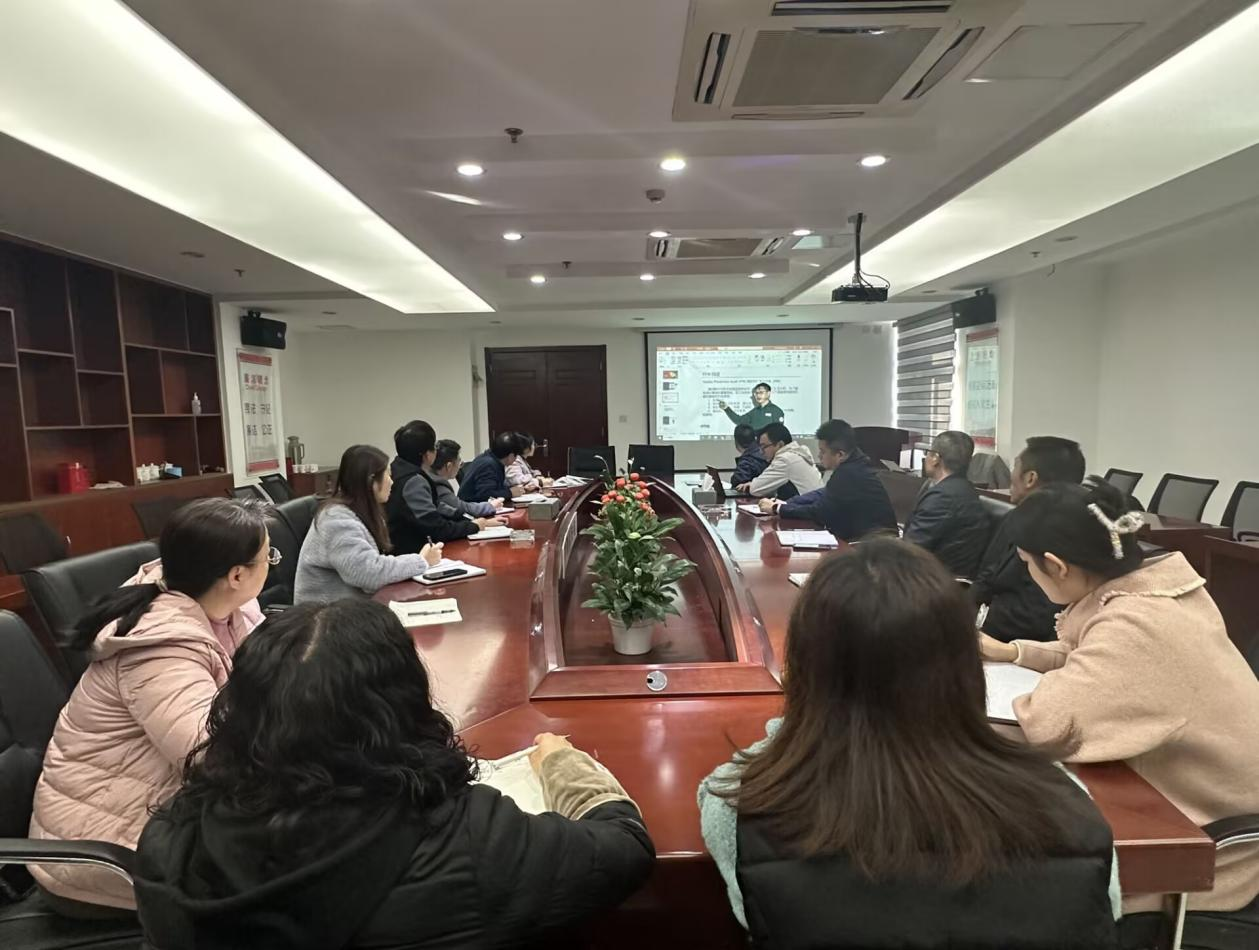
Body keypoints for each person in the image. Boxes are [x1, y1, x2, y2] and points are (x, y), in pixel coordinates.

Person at [133, 599, 655, 949]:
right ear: (402, 705)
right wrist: (562, 762)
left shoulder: (170, 841)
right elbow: (623, 849)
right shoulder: (468, 838)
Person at [699, 540, 1120, 948]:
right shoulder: (1067, 800)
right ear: (965, 665)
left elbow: (752, 912)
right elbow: (1102, 913)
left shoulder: (740, 803)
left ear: (807, 668)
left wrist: (791, 731)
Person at [981, 478, 1259, 930]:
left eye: (1028, 565)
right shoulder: (1151, 591)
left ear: (1057, 566)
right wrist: (1013, 653)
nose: (1028, 574)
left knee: (1012, 883)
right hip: (1185, 803)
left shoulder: (1138, 624)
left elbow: (1052, 724)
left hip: (1216, 849)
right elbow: (1090, 658)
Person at [29, 498, 271, 913]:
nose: (272, 565)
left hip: (160, 808)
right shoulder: (160, 647)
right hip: (104, 852)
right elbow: (211, 756)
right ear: (236, 575)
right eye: (269, 557)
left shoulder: (221, 610)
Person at [971, 436, 1085, 642]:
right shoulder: (1019, 516)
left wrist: (976, 621)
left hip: (1019, 643)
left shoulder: (1061, 533)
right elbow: (990, 571)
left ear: (1030, 478)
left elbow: (1035, 615)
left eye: (1015, 466)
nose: (1010, 474)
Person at [295, 444, 439, 604]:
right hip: (326, 615)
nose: (392, 482)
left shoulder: (358, 512)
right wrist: (421, 560)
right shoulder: (336, 520)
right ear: (371, 481)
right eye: (387, 475)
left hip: (350, 608)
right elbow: (368, 573)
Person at [758, 419, 897, 541]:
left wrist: (778, 509)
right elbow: (823, 493)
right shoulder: (855, 464)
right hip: (865, 537)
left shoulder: (849, 473)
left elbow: (819, 512)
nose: (819, 456)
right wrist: (788, 503)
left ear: (840, 454)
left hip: (872, 545)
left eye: (823, 451)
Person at [386, 422, 505, 551]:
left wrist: (476, 523)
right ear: (427, 454)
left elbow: (440, 508)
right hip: (414, 552)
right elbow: (436, 528)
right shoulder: (413, 481)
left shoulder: (400, 470)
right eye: (434, 447)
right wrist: (473, 526)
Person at [902, 430, 990, 577]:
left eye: (928, 453)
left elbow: (911, 551)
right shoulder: (960, 488)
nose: (926, 457)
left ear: (935, 458)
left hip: (935, 580)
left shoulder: (944, 498)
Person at [735, 423, 823, 500]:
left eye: (764, 447)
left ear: (780, 445)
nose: (761, 452)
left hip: (807, 510)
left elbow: (755, 490)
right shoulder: (797, 454)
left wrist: (752, 485)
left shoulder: (785, 459)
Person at [432, 438, 504, 519]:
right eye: (459, 461)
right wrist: (490, 506)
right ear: (449, 466)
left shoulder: (431, 478)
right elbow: (462, 508)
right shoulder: (438, 486)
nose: (461, 465)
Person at [459, 431, 522, 504]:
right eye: (516, 456)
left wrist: (510, 490)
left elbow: (495, 488)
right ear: (511, 456)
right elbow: (485, 495)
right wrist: (510, 493)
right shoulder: (489, 465)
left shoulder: (489, 458)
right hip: (471, 508)